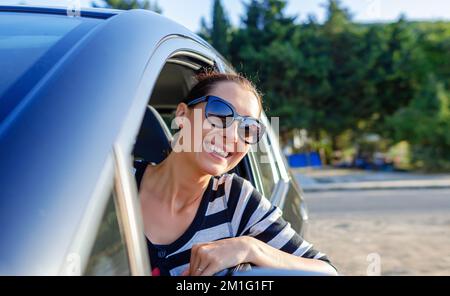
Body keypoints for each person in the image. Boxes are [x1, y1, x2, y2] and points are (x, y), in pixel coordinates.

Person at [134, 70, 337, 276]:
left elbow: (327, 272)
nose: (232, 136)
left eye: (248, 129)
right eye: (220, 115)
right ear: (182, 115)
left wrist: (250, 248)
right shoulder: (118, 182)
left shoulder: (235, 200)